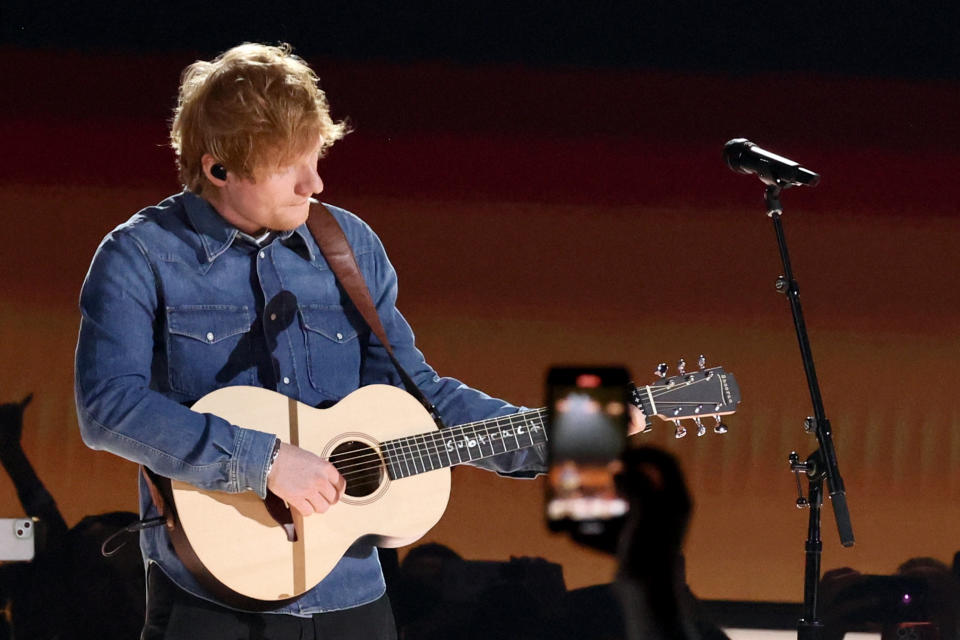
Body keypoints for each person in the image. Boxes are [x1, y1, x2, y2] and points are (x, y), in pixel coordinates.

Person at [74, 42, 546, 639]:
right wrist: (263, 461)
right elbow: (108, 408)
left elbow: (419, 396)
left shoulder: (347, 245)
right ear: (219, 168)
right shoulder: (138, 255)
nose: (314, 182)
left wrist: (569, 432)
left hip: (350, 594)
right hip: (211, 591)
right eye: (287, 166)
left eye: (316, 156)